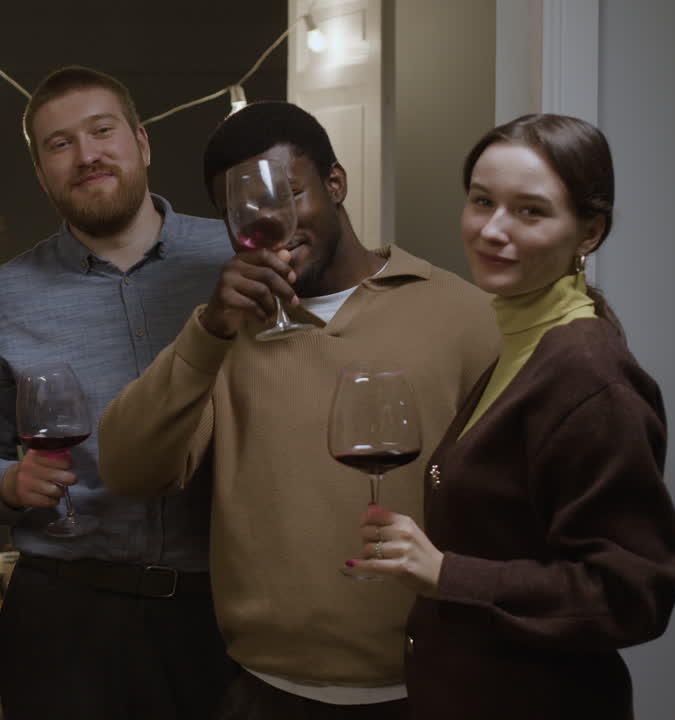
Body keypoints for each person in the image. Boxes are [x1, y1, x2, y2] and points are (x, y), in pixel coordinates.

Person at [97, 101, 500, 719]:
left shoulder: (465, 317)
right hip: (265, 692)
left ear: (335, 184)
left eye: (288, 194)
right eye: (242, 211)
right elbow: (128, 469)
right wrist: (210, 330)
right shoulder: (222, 334)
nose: (270, 222)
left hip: (433, 689)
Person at [346, 114, 675, 719]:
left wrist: (447, 573)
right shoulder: (523, 337)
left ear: (589, 233)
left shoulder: (587, 371)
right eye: (482, 201)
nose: (491, 230)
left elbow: (631, 594)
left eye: (530, 211)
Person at [0, 65, 238, 719]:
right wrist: (7, 483)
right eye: (60, 144)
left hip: (227, 608)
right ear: (41, 171)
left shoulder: (226, 259)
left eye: (102, 131)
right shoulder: (1, 296)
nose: (86, 156)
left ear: (141, 142)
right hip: (67, 615)